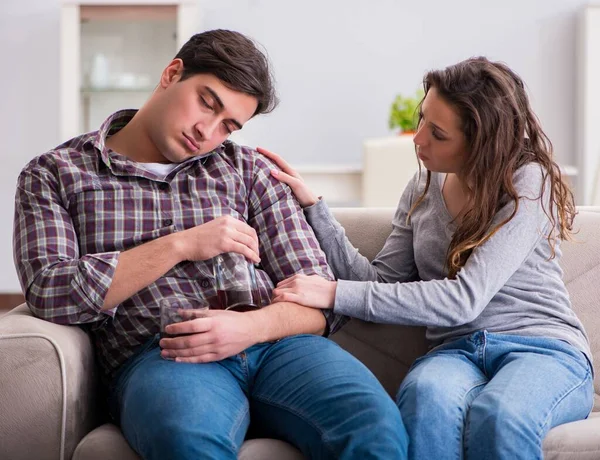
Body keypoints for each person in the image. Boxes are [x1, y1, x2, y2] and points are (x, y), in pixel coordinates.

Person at [12, 30, 408, 459]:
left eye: (229, 126)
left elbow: (318, 297)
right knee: (186, 441)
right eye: (207, 102)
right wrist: (180, 245)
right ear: (172, 73)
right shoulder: (56, 174)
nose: (207, 131)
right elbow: (51, 292)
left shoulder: (248, 170)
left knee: (377, 428)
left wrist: (248, 328)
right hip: (165, 353)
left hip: (280, 348)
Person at [260, 56, 594, 460]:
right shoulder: (421, 185)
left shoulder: (529, 180)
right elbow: (381, 284)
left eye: (437, 133)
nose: (418, 139)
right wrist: (315, 210)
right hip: (456, 352)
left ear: (481, 143)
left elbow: (464, 299)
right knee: (424, 396)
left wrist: (332, 293)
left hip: (542, 350)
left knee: (501, 414)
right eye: (422, 120)